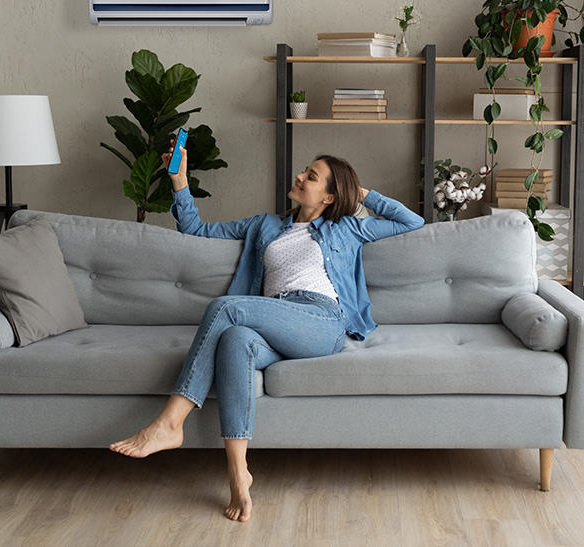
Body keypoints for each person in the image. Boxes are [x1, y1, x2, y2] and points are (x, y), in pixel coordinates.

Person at [109, 139, 425, 522]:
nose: (299, 176)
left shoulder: (348, 228)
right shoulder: (265, 225)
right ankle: (238, 473)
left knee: (226, 307)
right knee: (236, 339)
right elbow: (196, 228)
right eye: (304, 171)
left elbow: (412, 222)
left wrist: (362, 193)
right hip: (274, 317)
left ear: (329, 196)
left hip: (320, 320)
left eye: (311, 176)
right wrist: (179, 181)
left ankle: (170, 423)